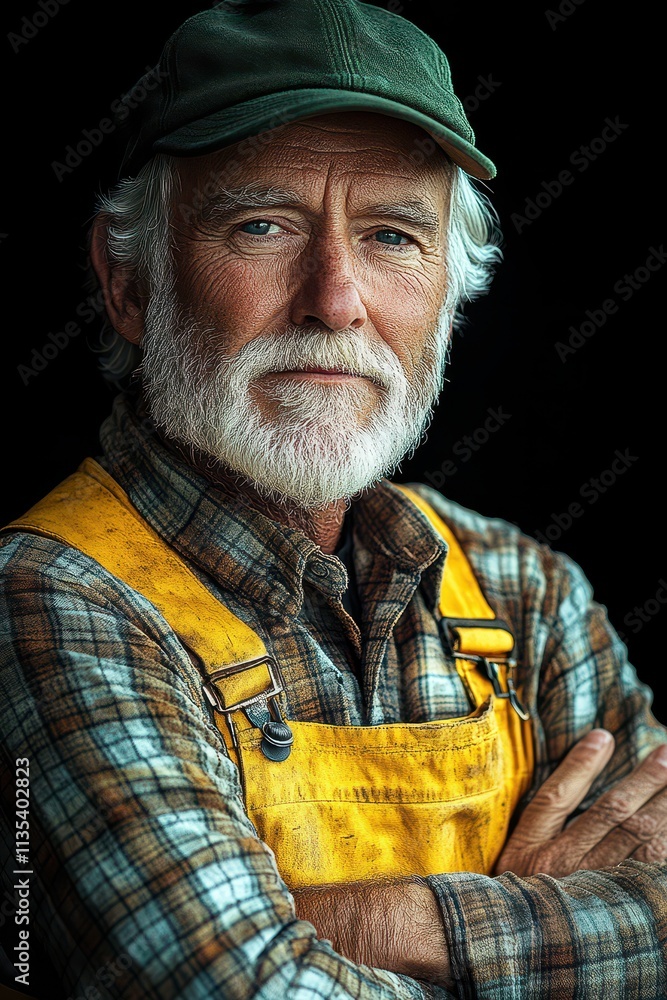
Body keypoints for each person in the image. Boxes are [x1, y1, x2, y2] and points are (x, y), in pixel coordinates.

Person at [1, 1, 665, 997]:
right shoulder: (50, 597)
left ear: (449, 289)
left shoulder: (528, 594)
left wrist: (378, 921)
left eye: (393, 234)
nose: (334, 298)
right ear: (129, 282)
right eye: (261, 224)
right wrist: (549, 926)